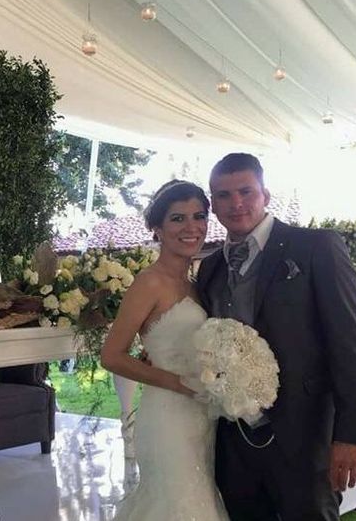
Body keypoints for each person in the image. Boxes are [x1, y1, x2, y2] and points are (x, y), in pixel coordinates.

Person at [196, 153, 356, 520]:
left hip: (304, 436)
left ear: (266, 194)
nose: (236, 203)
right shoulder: (210, 268)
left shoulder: (315, 247)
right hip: (233, 439)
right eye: (223, 195)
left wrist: (353, 434)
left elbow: (350, 343)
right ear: (213, 203)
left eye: (246, 191)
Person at [100, 179, 228, 520]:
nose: (191, 227)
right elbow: (111, 355)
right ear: (157, 228)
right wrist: (178, 383)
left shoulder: (198, 283)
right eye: (177, 218)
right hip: (168, 416)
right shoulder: (150, 282)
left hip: (203, 415)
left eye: (198, 216)